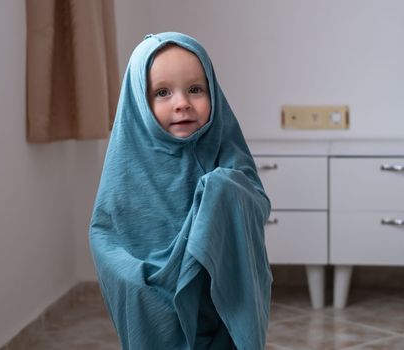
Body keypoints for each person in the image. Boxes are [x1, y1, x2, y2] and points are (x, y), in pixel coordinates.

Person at [89, 32, 272, 350]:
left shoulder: (224, 150)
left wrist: (222, 191)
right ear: (139, 104)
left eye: (195, 89)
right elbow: (106, 235)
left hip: (218, 308)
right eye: (162, 92)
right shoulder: (129, 163)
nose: (182, 103)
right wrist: (137, 279)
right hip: (157, 301)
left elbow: (255, 202)